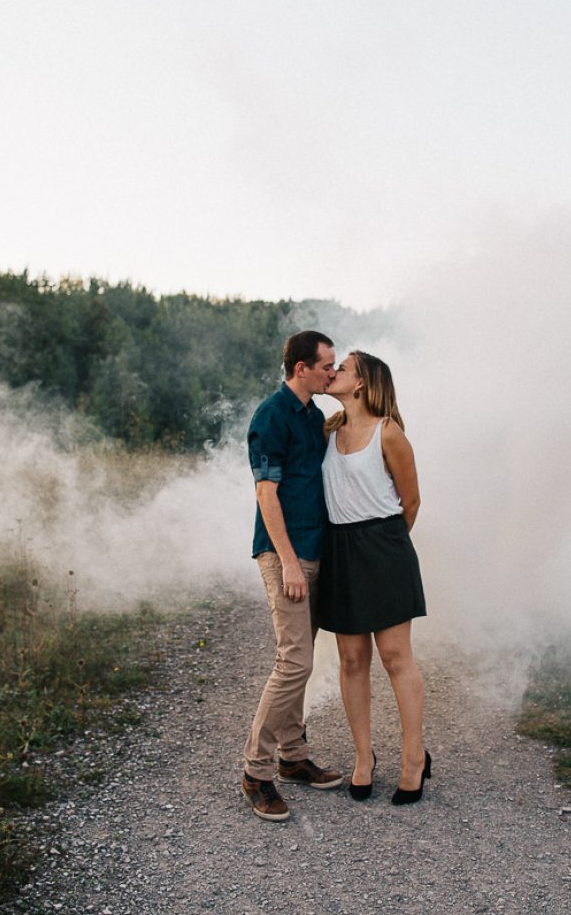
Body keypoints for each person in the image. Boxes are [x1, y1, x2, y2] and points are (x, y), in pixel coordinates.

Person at [317, 350, 430, 804]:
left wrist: (383, 549)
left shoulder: (390, 433)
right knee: (351, 658)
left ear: (361, 384)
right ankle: (364, 759)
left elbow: (412, 502)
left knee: (395, 655)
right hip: (339, 550)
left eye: (342, 368)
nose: (334, 372)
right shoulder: (326, 431)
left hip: (384, 548)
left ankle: (414, 758)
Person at [241, 330, 343, 821]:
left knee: (302, 656)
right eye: (327, 365)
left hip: (316, 550)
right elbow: (267, 493)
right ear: (301, 367)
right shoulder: (271, 415)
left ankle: (294, 758)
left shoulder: (315, 416)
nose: (332, 371)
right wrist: (286, 561)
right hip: (286, 553)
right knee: (295, 660)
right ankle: (255, 771)